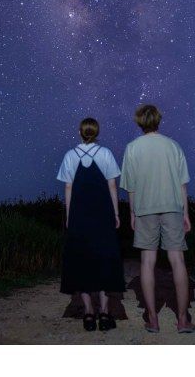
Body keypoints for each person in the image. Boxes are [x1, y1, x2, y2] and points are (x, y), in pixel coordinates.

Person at [119, 103, 195, 334]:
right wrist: (185, 213)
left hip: (145, 210)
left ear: (139, 122)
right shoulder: (173, 146)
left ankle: (152, 319)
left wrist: (132, 213)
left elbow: (130, 187)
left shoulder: (132, 148)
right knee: (178, 262)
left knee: (147, 263)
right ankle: (183, 320)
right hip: (172, 208)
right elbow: (183, 185)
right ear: (158, 121)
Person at [57, 117, 126, 332]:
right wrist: (116, 212)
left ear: (80, 132)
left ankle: (88, 314)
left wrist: (69, 216)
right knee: (105, 259)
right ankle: (104, 314)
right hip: (102, 214)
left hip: (79, 215)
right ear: (96, 132)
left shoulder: (70, 155)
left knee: (82, 260)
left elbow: (68, 188)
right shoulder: (105, 153)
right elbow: (112, 185)